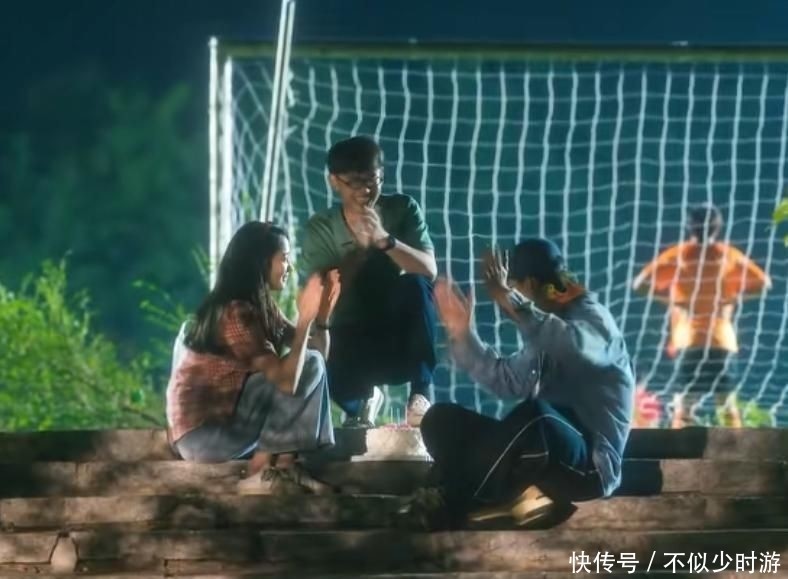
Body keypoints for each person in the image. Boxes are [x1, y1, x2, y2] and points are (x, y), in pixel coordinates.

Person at [406, 238, 634, 529]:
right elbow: (507, 380)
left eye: (515, 287)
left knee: (538, 417)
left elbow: (573, 347)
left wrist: (511, 301)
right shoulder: (546, 327)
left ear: (530, 284)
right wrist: (463, 334)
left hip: (589, 468)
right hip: (542, 458)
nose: (510, 297)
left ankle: (452, 503)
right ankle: (457, 494)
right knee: (441, 419)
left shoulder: (593, 317)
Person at [166, 221, 340, 495]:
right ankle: (270, 470)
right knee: (294, 369)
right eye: (284, 258)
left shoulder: (260, 306)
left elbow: (316, 359)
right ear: (261, 262)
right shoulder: (236, 313)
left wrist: (322, 318)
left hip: (220, 431)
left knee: (309, 362)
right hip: (205, 436)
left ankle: (286, 466)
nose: (289, 267)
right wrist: (304, 319)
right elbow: (287, 381)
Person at [300, 135, 438, 428]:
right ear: (334, 181)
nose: (364, 190)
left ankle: (421, 394)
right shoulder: (321, 228)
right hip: (351, 336)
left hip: (398, 338)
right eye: (353, 182)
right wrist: (362, 251)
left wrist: (385, 240)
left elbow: (429, 270)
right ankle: (361, 404)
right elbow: (321, 296)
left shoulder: (402, 209)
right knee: (316, 355)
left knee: (416, 285)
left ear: (382, 175)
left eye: (371, 180)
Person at [632, 204, 771, 428]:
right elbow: (764, 284)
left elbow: (640, 285)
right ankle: (738, 449)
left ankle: (676, 449)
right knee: (727, 406)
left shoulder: (679, 255)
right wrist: (733, 299)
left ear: (689, 226)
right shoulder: (728, 255)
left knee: (685, 407)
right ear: (718, 227)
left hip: (689, 341)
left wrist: (673, 302)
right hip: (721, 341)